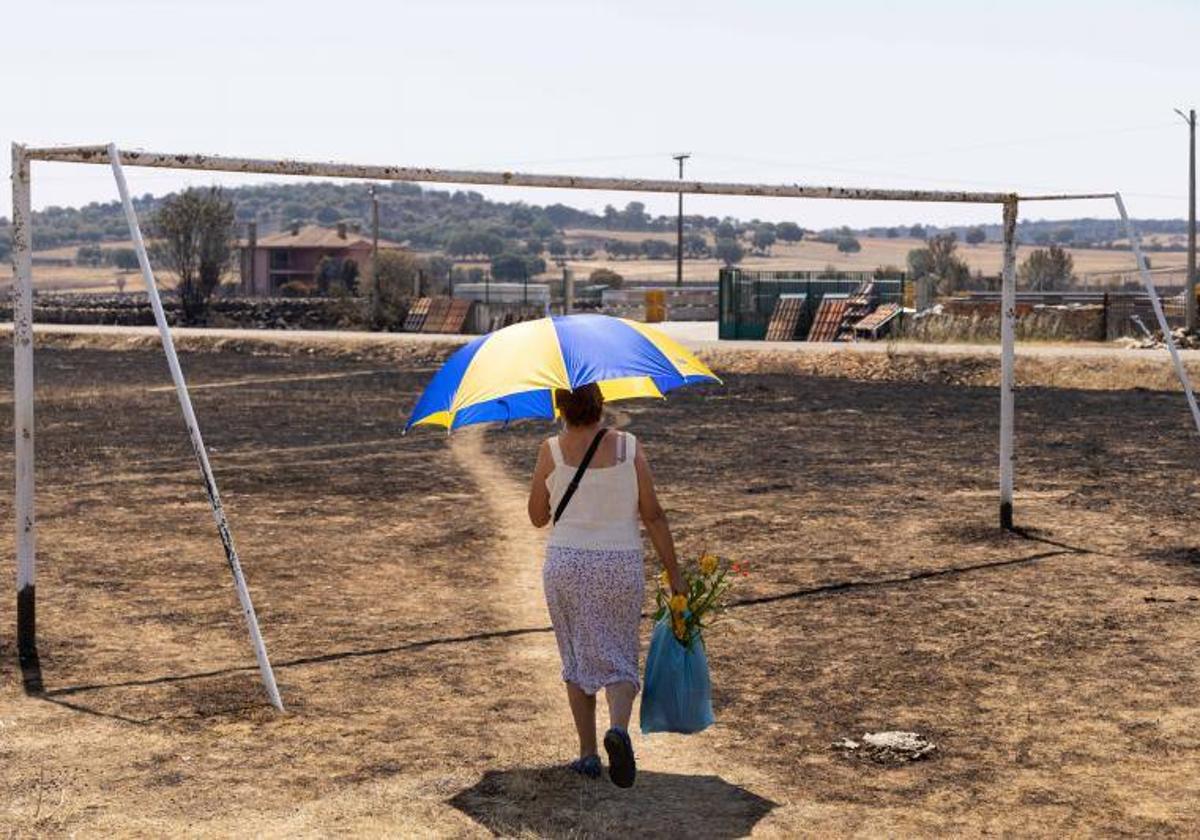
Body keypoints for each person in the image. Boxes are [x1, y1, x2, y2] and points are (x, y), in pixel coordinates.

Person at [527, 383, 686, 788]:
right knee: (619, 652)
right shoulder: (629, 447)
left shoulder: (552, 449)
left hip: (567, 563)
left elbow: (537, 517)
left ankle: (586, 753)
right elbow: (653, 514)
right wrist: (675, 573)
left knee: (577, 652)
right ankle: (618, 729)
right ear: (600, 402)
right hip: (618, 562)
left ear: (560, 406)